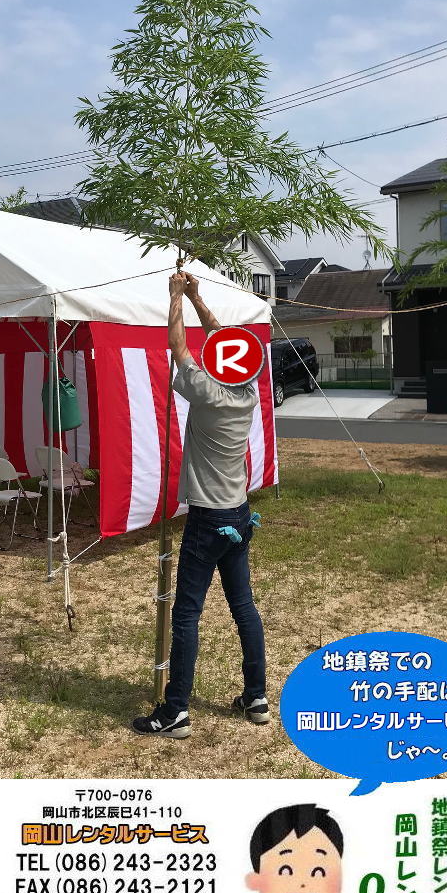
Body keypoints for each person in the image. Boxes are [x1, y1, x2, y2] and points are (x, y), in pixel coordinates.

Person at [132, 271, 269, 738]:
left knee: (187, 613)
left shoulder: (206, 393)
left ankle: (176, 711)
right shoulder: (245, 393)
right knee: (244, 607)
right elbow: (224, 342)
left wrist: (174, 298)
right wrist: (197, 296)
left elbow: (180, 348)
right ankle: (256, 696)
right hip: (238, 514)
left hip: (208, 519)